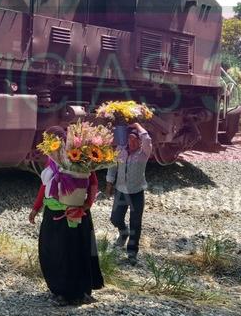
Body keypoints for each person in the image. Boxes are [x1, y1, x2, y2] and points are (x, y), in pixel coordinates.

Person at [30, 127, 104, 306]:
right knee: (55, 252)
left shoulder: (77, 158)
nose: (52, 144)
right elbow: (44, 186)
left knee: (75, 251)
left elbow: (92, 182)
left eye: (55, 140)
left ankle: (79, 291)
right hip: (53, 213)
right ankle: (60, 291)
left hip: (75, 213)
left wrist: (87, 205)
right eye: (49, 140)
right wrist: (36, 208)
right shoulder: (52, 161)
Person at [105, 123, 153, 265]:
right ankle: (123, 231)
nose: (131, 143)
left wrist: (138, 125)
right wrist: (109, 184)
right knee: (115, 218)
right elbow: (113, 167)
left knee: (136, 223)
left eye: (135, 140)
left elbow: (147, 139)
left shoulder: (144, 153)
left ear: (139, 142)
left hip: (137, 193)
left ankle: (132, 252)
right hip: (121, 191)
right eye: (130, 139)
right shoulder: (121, 150)